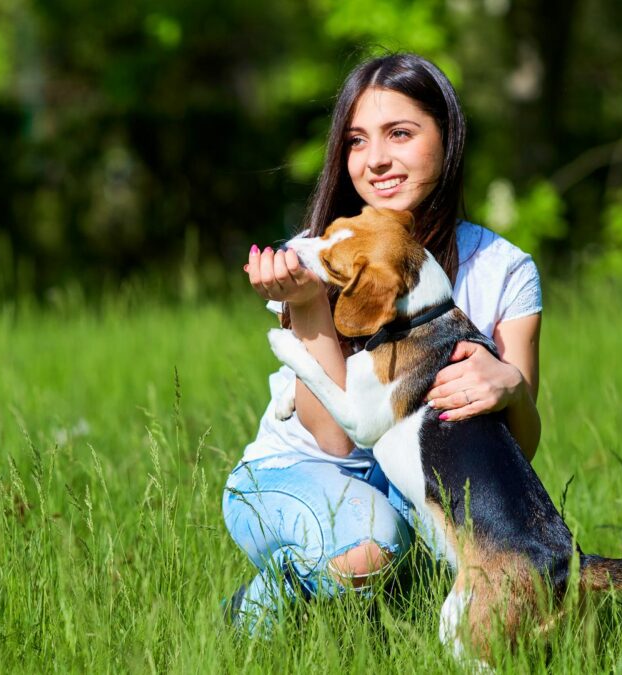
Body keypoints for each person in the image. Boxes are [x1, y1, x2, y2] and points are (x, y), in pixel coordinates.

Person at [222, 53, 544, 631]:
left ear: (448, 138)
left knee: (501, 558)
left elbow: (519, 452)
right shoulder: (318, 255)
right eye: (356, 141)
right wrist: (306, 302)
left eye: (400, 133)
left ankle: (366, 606)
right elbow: (335, 440)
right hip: (297, 472)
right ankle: (256, 613)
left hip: (413, 486)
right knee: (375, 543)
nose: (375, 160)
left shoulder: (503, 268)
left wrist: (513, 388)